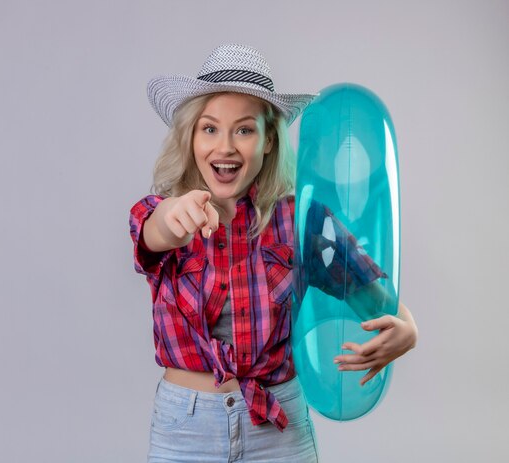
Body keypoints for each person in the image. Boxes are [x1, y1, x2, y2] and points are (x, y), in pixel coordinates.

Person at [129, 44, 418, 463]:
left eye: (244, 130)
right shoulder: (161, 211)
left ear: (267, 141)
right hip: (186, 430)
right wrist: (174, 216)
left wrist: (409, 329)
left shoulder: (300, 221)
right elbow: (155, 233)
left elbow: (377, 300)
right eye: (209, 128)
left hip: (278, 430)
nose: (224, 146)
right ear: (191, 137)